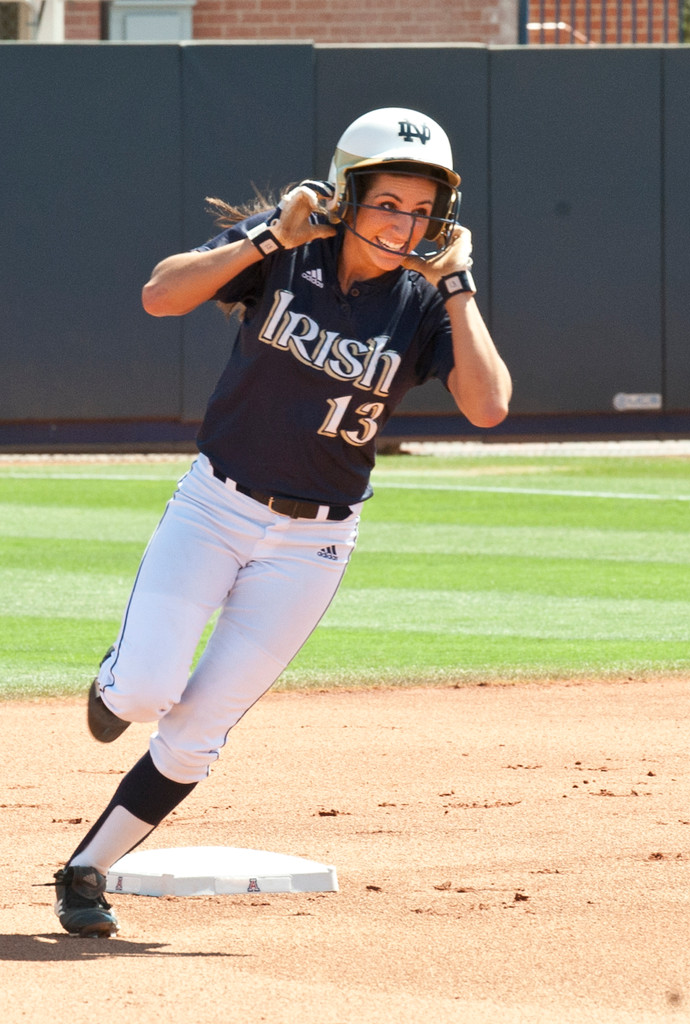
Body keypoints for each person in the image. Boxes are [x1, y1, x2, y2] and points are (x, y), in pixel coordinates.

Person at [48, 107, 511, 937]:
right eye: (387, 202)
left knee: (197, 736)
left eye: (422, 209)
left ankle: (86, 871)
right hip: (215, 507)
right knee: (148, 692)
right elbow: (160, 295)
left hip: (314, 542)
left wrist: (458, 283)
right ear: (347, 193)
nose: (405, 223)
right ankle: (117, 683)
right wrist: (268, 240)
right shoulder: (291, 243)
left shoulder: (426, 297)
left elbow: (489, 406)